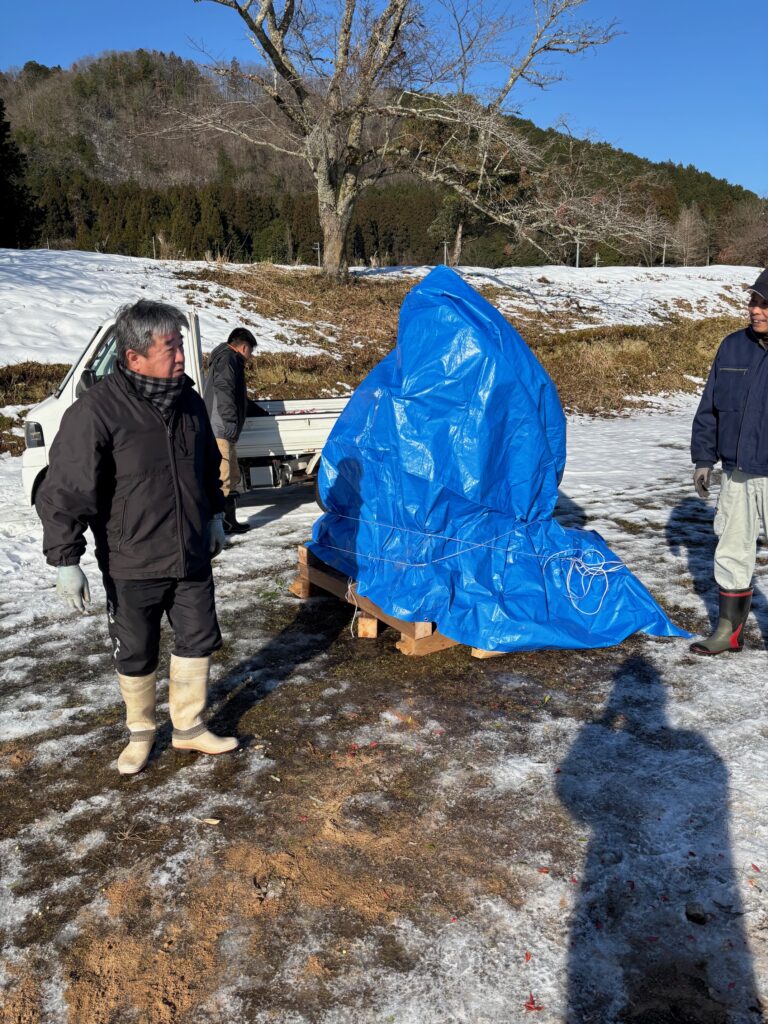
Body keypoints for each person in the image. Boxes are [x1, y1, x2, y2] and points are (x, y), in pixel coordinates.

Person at [36, 300, 238, 774]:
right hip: (132, 559)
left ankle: (188, 727)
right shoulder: (96, 411)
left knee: (197, 639)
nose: (182, 357)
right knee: (136, 650)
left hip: (190, 554)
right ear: (134, 357)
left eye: (181, 345)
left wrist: (214, 516)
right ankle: (142, 732)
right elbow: (65, 489)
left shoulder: (188, 400)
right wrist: (66, 559)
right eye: (171, 348)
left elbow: (208, 466)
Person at [689, 268, 768, 655]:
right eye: (754, 301)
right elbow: (710, 409)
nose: (756, 309)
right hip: (737, 472)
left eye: (765, 304)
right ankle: (728, 632)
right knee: (731, 548)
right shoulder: (733, 346)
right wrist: (704, 458)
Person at [204, 327, 258, 534]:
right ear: (244, 347)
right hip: (221, 428)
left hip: (224, 428)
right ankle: (219, 527)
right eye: (251, 351)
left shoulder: (227, 359)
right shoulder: (228, 359)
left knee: (232, 475)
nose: (250, 356)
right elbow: (224, 389)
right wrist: (229, 420)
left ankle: (229, 521)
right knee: (223, 477)